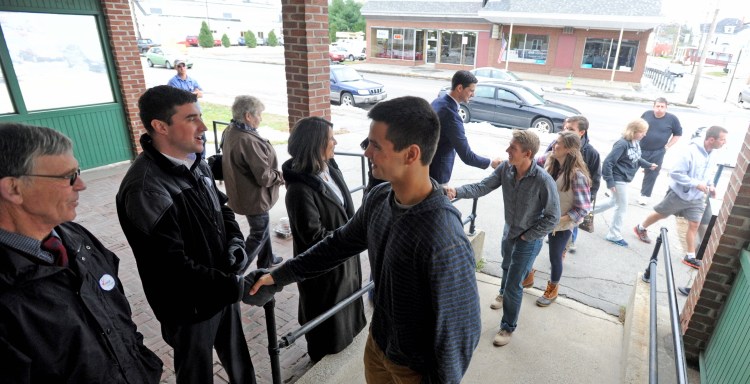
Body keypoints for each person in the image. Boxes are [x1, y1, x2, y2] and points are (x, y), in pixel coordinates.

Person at [250, 96, 481, 383]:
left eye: (376, 146)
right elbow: (336, 246)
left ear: (411, 154)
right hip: (378, 346)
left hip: (414, 370)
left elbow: (461, 331)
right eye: (367, 143)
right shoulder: (379, 199)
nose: (366, 153)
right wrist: (278, 276)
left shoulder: (443, 237)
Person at [0, 123, 162, 383]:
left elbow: (117, 315)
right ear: (14, 189)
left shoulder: (77, 238)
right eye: (68, 176)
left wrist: (140, 362)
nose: (82, 185)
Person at [116, 86, 256, 384]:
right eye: (192, 119)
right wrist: (234, 285)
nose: (204, 127)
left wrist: (235, 243)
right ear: (160, 126)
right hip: (188, 308)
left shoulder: (197, 162)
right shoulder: (145, 188)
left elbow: (223, 210)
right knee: (196, 375)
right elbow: (170, 266)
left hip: (221, 288)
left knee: (240, 364)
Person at [445, 130, 560, 346]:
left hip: (528, 239)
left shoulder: (543, 180)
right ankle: (501, 293)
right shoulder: (506, 169)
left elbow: (553, 217)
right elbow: (482, 187)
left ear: (527, 154)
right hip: (510, 231)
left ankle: (507, 328)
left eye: (512, 148)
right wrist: (455, 191)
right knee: (506, 267)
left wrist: (528, 236)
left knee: (514, 283)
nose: (507, 151)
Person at [282, 116, 367, 362]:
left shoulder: (330, 168)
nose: (335, 142)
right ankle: (323, 360)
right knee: (328, 323)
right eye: (330, 139)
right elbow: (313, 238)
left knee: (347, 312)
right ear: (316, 144)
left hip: (344, 259)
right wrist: (351, 237)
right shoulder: (299, 191)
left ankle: (345, 353)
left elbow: (345, 210)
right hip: (325, 272)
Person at [634, 126, 727, 269]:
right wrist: (696, 184)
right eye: (722, 139)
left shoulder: (713, 154)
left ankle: (690, 256)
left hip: (696, 197)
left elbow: (708, 174)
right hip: (679, 194)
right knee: (661, 214)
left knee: (694, 224)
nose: (724, 143)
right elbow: (675, 173)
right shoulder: (690, 152)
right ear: (711, 139)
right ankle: (640, 227)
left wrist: (711, 185)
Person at [527, 131, 591, 306]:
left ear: (569, 150)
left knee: (555, 256)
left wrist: (558, 220)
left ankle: (553, 288)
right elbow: (529, 163)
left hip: (561, 225)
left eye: (559, 144)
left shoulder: (577, 176)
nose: (554, 145)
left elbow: (583, 209)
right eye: (556, 141)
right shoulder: (547, 160)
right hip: (540, 218)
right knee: (530, 247)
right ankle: (527, 275)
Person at [222, 95, 283, 268]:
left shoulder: (231, 129)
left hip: (244, 192)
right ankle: (235, 272)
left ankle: (267, 259)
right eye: (259, 114)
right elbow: (264, 176)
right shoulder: (247, 140)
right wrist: (280, 176)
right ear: (248, 116)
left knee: (262, 229)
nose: (261, 118)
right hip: (254, 197)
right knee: (258, 234)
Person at [594, 118, 657, 247]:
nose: (644, 134)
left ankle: (583, 212)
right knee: (622, 207)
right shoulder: (622, 144)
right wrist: (610, 182)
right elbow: (608, 163)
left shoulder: (635, 142)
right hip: (618, 179)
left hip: (624, 178)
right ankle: (614, 235)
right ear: (633, 131)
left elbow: (636, 158)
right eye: (642, 132)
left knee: (612, 201)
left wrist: (648, 165)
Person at [430, 70, 501, 184]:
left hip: (426, 167)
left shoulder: (438, 101)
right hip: (437, 175)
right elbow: (467, 156)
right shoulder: (452, 117)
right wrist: (491, 163)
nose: (473, 94)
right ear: (459, 88)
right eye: (471, 90)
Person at [542, 115, 600, 253]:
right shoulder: (557, 144)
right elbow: (544, 162)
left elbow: (595, 179)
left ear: (582, 132)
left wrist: (587, 199)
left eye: (571, 129)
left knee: (564, 240)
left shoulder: (591, 153)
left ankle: (567, 243)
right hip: (554, 198)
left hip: (573, 204)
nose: (566, 130)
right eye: (565, 127)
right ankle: (555, 238)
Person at [638, 97, 682, 205]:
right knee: (628, 168)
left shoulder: (672, 119)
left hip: (658, 152)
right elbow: (637, 127)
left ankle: (644, 196)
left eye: (662, 107)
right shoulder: (646, 115)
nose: (659, 109)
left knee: (652, 174)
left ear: (666, 108)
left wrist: (667, 146)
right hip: (640, 149)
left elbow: (678, 134)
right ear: (654, 107)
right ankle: (617, 190)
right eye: (657, 106)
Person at [167, 59, 206, 157]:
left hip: (196, 111)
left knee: (202, 137)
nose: (182, 68)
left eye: (183, 66)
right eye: (179, 66)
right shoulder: (173, 82)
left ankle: (202, 159)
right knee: (190, 138)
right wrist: (193, 93)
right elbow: (179, 99)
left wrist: (189, 94)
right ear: (176, 68)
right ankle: (191, 160)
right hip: (185, 116)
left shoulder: (192, 80)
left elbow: (200, 94)